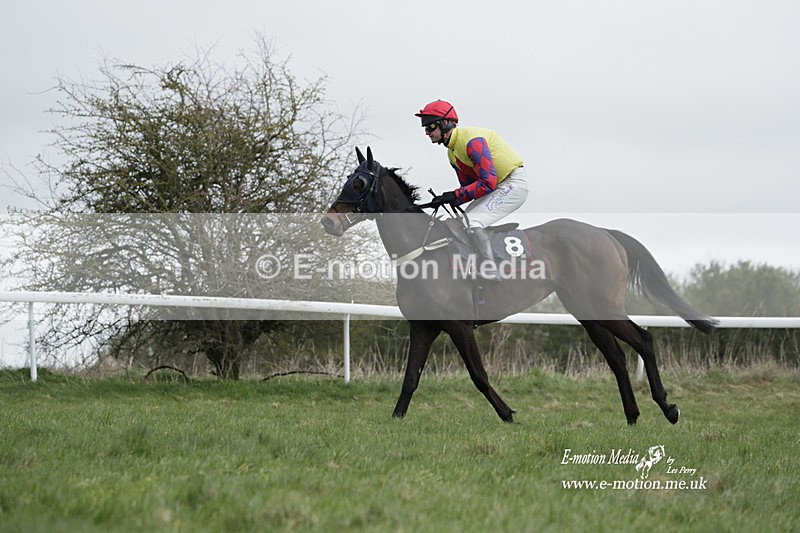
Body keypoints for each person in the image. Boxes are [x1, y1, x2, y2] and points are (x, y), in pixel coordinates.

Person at [415, 99, 529, 280]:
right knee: (461, 222)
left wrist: (454, 195)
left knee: (472, 221)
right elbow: (470, 188)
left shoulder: (471, 141)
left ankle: (490, 269)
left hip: (512, 184)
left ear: (446, 123)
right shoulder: (452, 153)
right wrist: (448, 198)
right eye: (425, 128)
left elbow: (487, 183)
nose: (427, 132)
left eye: (430, 127)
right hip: (496, 187)